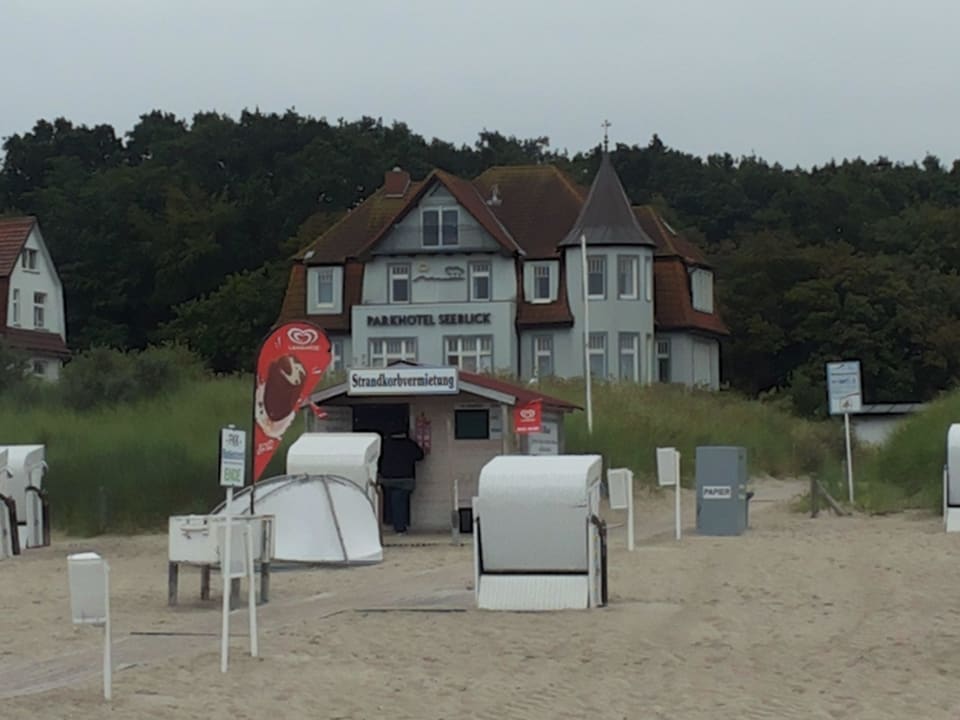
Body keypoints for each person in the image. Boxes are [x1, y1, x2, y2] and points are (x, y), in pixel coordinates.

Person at [378, 431, 424, 534]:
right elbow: (420, 456)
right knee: (399, 503)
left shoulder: (385, 445)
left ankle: (388, 522)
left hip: (387, 479)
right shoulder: (409, 444)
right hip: (406, 479)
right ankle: (400, 528)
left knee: (388, 502)